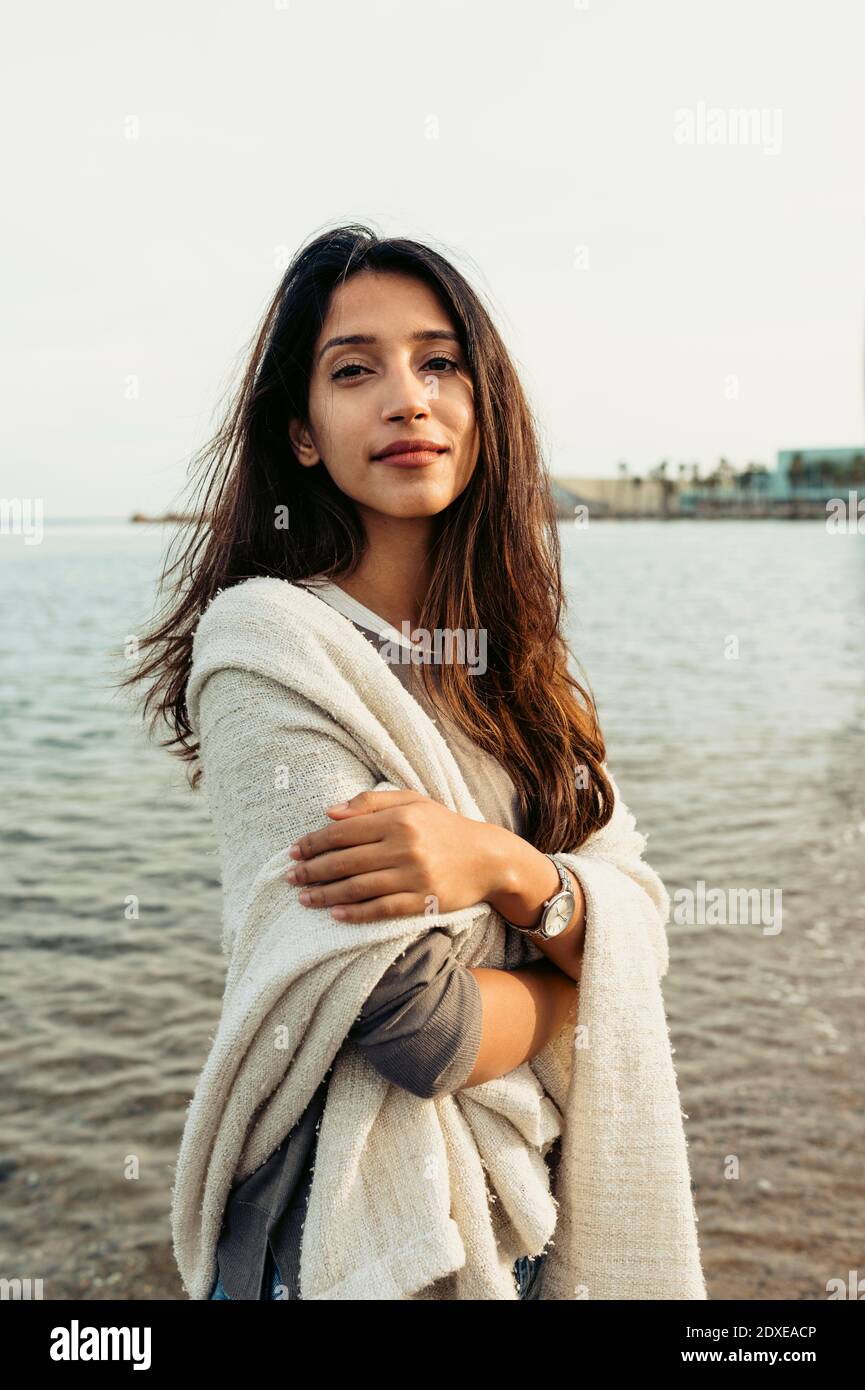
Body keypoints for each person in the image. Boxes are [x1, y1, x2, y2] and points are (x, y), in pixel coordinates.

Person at [121, 223, 622, 1300]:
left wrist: (499, 865)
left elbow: (641, 907)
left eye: (439, 362)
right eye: (356, 370)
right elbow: (420, 1026)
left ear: (482, 407)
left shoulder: (520, 667)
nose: (407, 397)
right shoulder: (267, 648)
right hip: (335, 1241)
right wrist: (593, 971)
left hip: (518, 1217)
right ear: (303, 433)